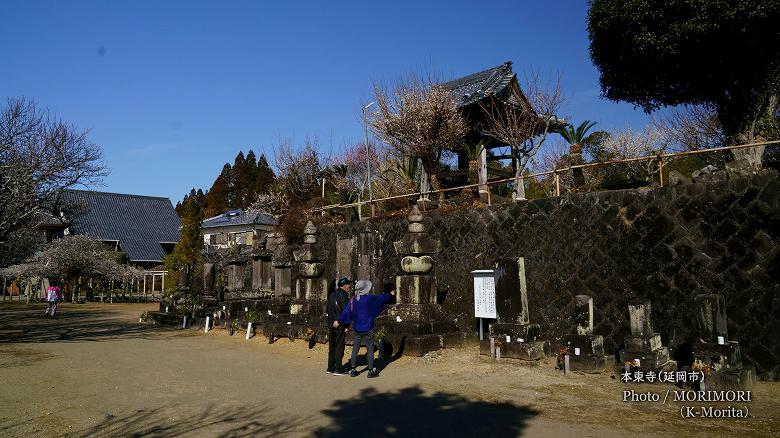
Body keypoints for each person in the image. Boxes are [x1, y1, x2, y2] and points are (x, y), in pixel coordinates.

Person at [338, 280, 395, 378]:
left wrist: (339, 322)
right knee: (370, 348)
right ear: (365, 289)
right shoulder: (369, 298)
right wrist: (390, 294)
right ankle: (370, 371)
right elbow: (382, 298)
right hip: (368, 327)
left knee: (355, 349)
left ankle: (352, 369)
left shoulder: (353, 300)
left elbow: (346, 313)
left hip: (357, 328)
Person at [326, 277, 352, 375]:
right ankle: (338, 368)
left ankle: (330, 367)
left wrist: (332, 320)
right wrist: (342, 323)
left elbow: (327, 309)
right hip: (339, 325)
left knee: (332, 346)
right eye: (348, 285)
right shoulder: (344, 296)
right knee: (339, 347)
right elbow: (346, 312)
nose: (349, 286)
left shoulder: (332, 294)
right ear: (344, 286)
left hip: (331, 324)